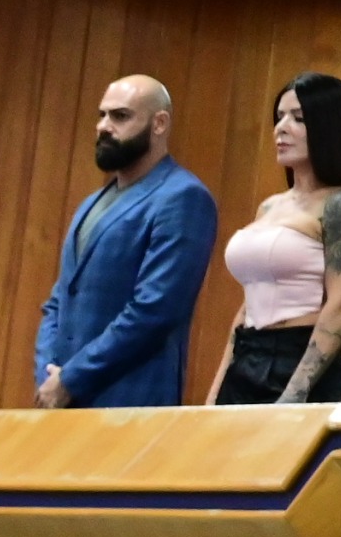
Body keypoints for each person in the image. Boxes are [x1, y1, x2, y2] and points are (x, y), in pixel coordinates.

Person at [34, 76, 218, 408]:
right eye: (101, 115)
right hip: (63, 400)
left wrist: (72, 378)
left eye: (120, 116)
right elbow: (59, 301)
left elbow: (155, 311)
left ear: (159, 123)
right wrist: (48, 374)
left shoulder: (183, 197)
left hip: (130, 402)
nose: (103, 126)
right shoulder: (91, 204)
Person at [213, 75, 341, 402]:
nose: (281, 128)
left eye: (298, 118)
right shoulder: (269, 206)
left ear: (329, 128)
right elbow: (247, 305)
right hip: (248, 355)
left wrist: (294, 394)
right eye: (279, 117)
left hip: (299, 357)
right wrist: (216, 391)